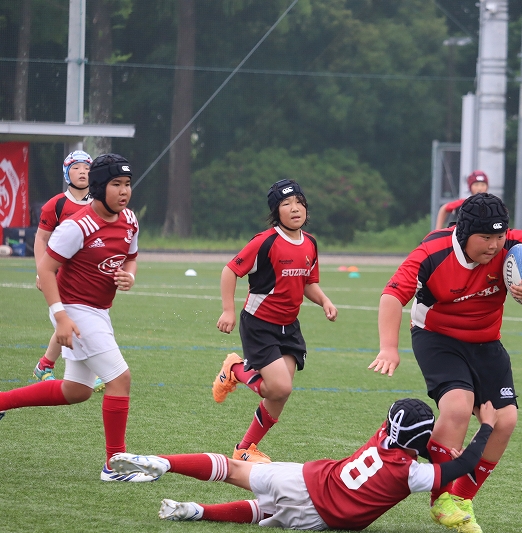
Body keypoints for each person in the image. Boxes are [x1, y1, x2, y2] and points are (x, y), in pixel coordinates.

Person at [369, 193, 522, 533]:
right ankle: (440, 499)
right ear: (464, 233)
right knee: (458, 408)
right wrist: (389, 348)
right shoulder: (432, 252)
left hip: (486, 342)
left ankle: (462, 498)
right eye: (486, 237)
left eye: (499, 236)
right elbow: (392, 295)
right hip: (437, 338)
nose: (494, 245)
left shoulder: (510, 245)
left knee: (505, 420)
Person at [108, 398, 497, 531]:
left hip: (306, 477)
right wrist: (488, 425)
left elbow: (411, 440)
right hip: (321, 516)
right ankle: (196, 511)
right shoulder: (412, 473)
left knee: (232, 469)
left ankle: (161, 462)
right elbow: (465, 463)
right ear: (421, 438)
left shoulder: (383, 434)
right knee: (263, 512)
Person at [0, 154, 157, 482]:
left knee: (77, 390)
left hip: (99, 311)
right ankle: (115, 466)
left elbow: (131, 258)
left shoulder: (130, 219)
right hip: (74, 309)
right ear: (99, 187)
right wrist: (60, 317)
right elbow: (46, 269)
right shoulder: (77, 226)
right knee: (120, 379)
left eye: (128, 184)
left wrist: (129, 276)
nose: (124, 191)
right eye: (116, 184)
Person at [214, 179, 338, 464]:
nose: (295, 208)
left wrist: (324, 301)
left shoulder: (310, 243)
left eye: (299, 202)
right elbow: (230, 271)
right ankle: (234, 368)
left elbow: (308, 283)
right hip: (260, 324)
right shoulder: (265, 242)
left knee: (278, 394)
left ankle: (245, 449)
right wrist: (228, 310)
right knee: (280, 387)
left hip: (289, 327)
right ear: (275, 211)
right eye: (286, 204)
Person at [32, 150, 104, 393]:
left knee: (76, 322)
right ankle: (92, 371)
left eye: (87, 168)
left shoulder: (99, 203)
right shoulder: (56, 204)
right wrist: (41, 271)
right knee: (77, 321)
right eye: (76, 167)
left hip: (89, 275)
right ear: (66, 173)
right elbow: (41, 239)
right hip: (61, 275)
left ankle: (44, 365)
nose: (82, 172)